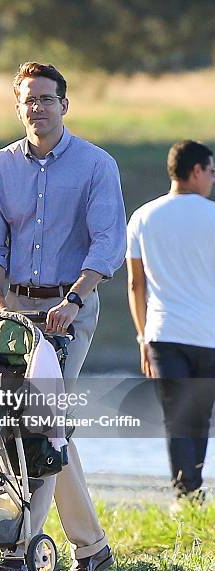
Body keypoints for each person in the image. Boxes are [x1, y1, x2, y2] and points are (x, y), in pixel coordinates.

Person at [0, 62, 126, 571]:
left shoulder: (96, 165)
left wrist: (75, 301)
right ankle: (92, 548)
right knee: (37, 426)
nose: (37, 107)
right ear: (18, 106)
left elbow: (108, 242)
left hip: (69, 311)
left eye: (46, 98)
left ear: (65, 103)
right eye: (28, 99)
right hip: (14, 312)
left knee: (38, 422)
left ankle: (18, 550)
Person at [126, 140, 215, 506]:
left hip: (163, 335)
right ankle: (190, 493)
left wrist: (142, 338)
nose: (212, 178)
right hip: (209, 336)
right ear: (196, 171)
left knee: (177, 419)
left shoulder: (143, 217)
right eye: (211, 171)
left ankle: (186, 495)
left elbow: (135, 284)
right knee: (199, 420)